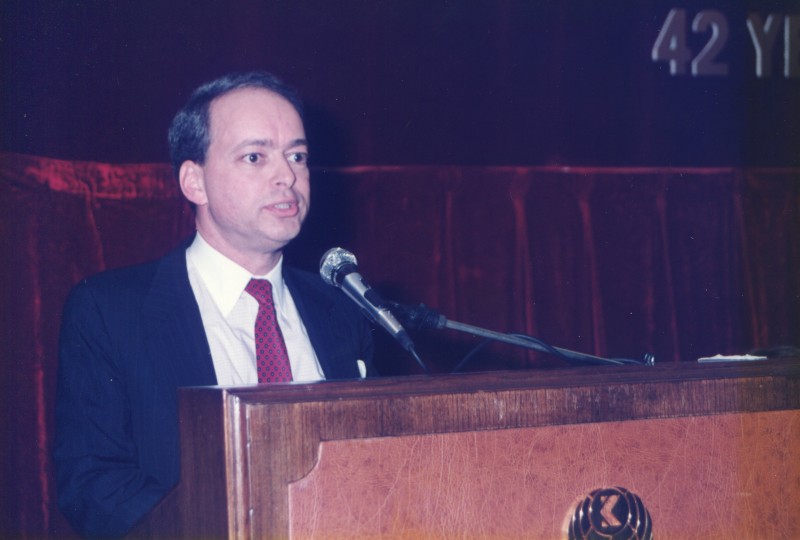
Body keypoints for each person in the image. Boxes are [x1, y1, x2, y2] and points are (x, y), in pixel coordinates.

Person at [54, 71, 375, 538]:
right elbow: (94, 486)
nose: (287, 176)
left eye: (297, 156)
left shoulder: (343, 310)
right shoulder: (110, 311)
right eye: (255, 156)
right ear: (195, 182)